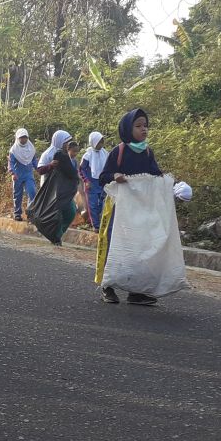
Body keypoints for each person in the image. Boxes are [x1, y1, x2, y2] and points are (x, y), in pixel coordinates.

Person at [95, 108, 164, 307]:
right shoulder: (120, 151)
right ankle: (107, 286)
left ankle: (136, 291)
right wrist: (115, 176)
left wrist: (172, 186)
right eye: (138, 126)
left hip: (139, 209)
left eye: (145, 126)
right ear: (127, 129)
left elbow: (156, 175)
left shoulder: (147, 152)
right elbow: (103, 177)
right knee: (113, 243)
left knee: (138, 247)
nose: (144, 130)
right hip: (118, 207)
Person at [35, 129, 79, 244]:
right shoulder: (48, 154)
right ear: (59, 141)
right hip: (51, 190)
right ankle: (55, 238)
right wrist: (50, 165)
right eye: (66, 142)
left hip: (63, 190)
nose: (67, 145)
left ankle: (57, 235)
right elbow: (39, 170)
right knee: (56, 215)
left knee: (71, 212)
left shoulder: (66, 155)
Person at [79, 131, 108, 230]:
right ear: (94, 142)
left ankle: (101, 224)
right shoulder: (88, 155)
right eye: (99, 142)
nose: (101, 145)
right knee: (93, 205)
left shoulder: (104, 153)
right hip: (91, 183)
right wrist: (86, 180)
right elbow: (82, 169)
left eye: (102, 142)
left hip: (102, 182)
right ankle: (96, 225)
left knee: (101, 204)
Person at [8, 128, 37, 221]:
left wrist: (39, 168)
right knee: (17, 194)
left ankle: (30, 214)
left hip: (28, 173)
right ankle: (17, 213)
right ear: (17, 138)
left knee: (32, 192)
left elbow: (34, 161)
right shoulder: (14, 150)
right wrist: (13, 173)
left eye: (25, 137)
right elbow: (11, 163)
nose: (23, 140)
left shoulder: (31, 148)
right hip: (18, 174)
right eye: (21, 138)